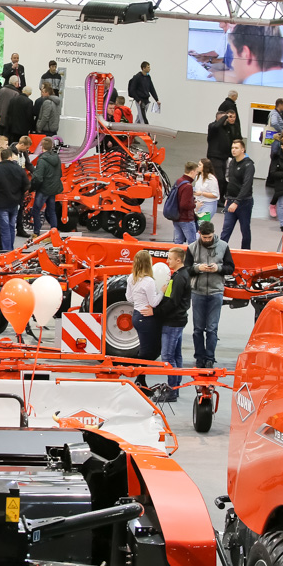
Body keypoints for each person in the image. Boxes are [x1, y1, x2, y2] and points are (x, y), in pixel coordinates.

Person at [184, 222, 233, 369]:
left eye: (209, 237)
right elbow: (186, 269)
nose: (207, 240)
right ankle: (199, 358)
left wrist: (218, 268)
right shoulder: (192, 247)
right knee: (198, 329)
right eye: (204, 237)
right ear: (199, 234)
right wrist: (198, 268)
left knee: (212, 329)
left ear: (213, 233)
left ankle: (210, 358)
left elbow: (230, 268)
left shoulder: (223, 246)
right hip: (197, 292)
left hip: (216, 292)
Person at [153, 246, 191, 402]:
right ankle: (175, 387)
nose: (167, 261)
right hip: (178, 320)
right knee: (176, 355)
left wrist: (156, 312)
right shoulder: (181, 275)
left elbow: (173, 302)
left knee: (168, 356)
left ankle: (171, 391)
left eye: (169, 258)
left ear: (178, 260)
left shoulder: (179, 278)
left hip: (173, 321)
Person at [125, 251, 162, 393]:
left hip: (136, 315)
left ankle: (141, 379)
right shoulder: (149, 281)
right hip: (146, 317)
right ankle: (140, 380)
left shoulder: (131, 278)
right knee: (149, 350)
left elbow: (129, 298)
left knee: (145, 347)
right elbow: (154, 302)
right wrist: (162, 292)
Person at [0, 147, 28, 251]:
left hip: (2, 204)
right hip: (15, 203)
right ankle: (11, 249)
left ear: (1, 158)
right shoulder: (18, 168)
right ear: (10, 157)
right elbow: (26, 185)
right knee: (11, 227)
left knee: (4, 229)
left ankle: (8, 251)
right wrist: (20, 195)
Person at [221, 139, 255, 249]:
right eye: (232, 148)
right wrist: (228, 197)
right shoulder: (232, 162)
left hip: (244, 202)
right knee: (226, 229)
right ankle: (220, 251)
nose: (233, 150)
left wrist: (236, 202)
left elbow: (246, 185)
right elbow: (231, 182)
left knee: (245, 229)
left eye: (236, 148)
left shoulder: (249, 165)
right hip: (231, 200)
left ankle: (246, 252)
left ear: (242, 149)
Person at [206, 111, 240, 206]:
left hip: (224, 157)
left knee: (224, 180)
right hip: (215, 157)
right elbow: (217, 126)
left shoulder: (226, 128)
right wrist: (225, 117)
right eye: (223, 118)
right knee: (219, 178)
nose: (226, 120)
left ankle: (221, 197)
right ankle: (216, 198)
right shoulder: (213, 127)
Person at [30, 138, 62, 235]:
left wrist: (32, 187)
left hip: (43, 189)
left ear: (42, 147)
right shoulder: (57, 158)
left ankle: (36, 233)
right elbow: (60, 173)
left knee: (36, 210)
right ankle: (54, 233)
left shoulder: (42, 160)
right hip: (53, 189)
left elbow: (38, 178)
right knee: (51, 211)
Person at [170, 161, 198, 244]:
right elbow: (184, 205)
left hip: (176, 217)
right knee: (192, 243)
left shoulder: (179, 181)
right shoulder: (188, 186)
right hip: (186, 219)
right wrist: (194, 204)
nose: (196, 174)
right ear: (192, 172)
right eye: (196, 172)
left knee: (178, 242)